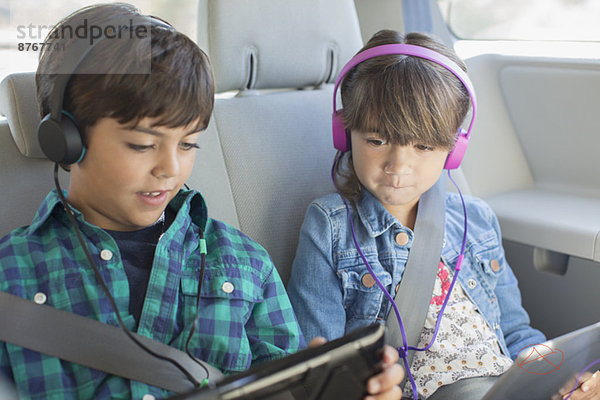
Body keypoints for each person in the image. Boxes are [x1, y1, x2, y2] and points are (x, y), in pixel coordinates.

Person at [0, 4, 402, 399]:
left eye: (189, 143)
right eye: (142, 145)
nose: (170, 168)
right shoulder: (12, 275)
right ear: (67, 139)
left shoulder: (246, 264)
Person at [287, 30, 600, 400]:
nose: (398, 165)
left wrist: (566, 381)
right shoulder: (330, 226)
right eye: (376, 140)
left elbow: (516, 335)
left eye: (423, 146)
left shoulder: (477, 220)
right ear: (345, 133)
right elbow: (323, 363)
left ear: (454, 150)